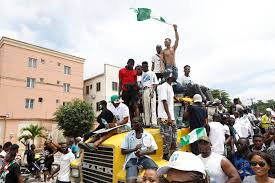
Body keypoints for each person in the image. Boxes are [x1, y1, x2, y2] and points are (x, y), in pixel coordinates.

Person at [121, 116, 158, 183]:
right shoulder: (128, 135)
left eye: (135, 122)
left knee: (154, 170)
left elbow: (154, 151)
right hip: (132, 160)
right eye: (132, 123)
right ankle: (137, 168)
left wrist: (143, 153)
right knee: (130, 180)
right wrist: (134, 149)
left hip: (144, 158)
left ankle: (141, 169)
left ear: (141, 123)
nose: (133, 125)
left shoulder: (148, 135)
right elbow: (123, 151)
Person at [157, 71, 177, 160]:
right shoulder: (163, 87)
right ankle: (165, 155)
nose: (175, 76)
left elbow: (170, 99)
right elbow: (164, 101)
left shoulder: (170, 87)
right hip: (165, 116)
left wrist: (178, 99)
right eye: (173, 75)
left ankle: (172, 154)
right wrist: (169, 116)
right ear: (170, 77)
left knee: (174, 137)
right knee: (167, 137)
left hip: (171, 116)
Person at [141, 61, 159, 127]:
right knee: (146, 108)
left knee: (152, 107)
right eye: (142, 67)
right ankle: (147, 123)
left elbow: (155, 83)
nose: (143, 68)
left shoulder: (152, 73)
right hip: (144, 90)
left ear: (147, 66)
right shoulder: (142, 74)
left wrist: (152, 91)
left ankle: (154, 123)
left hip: (150, 89)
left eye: (144, 67)